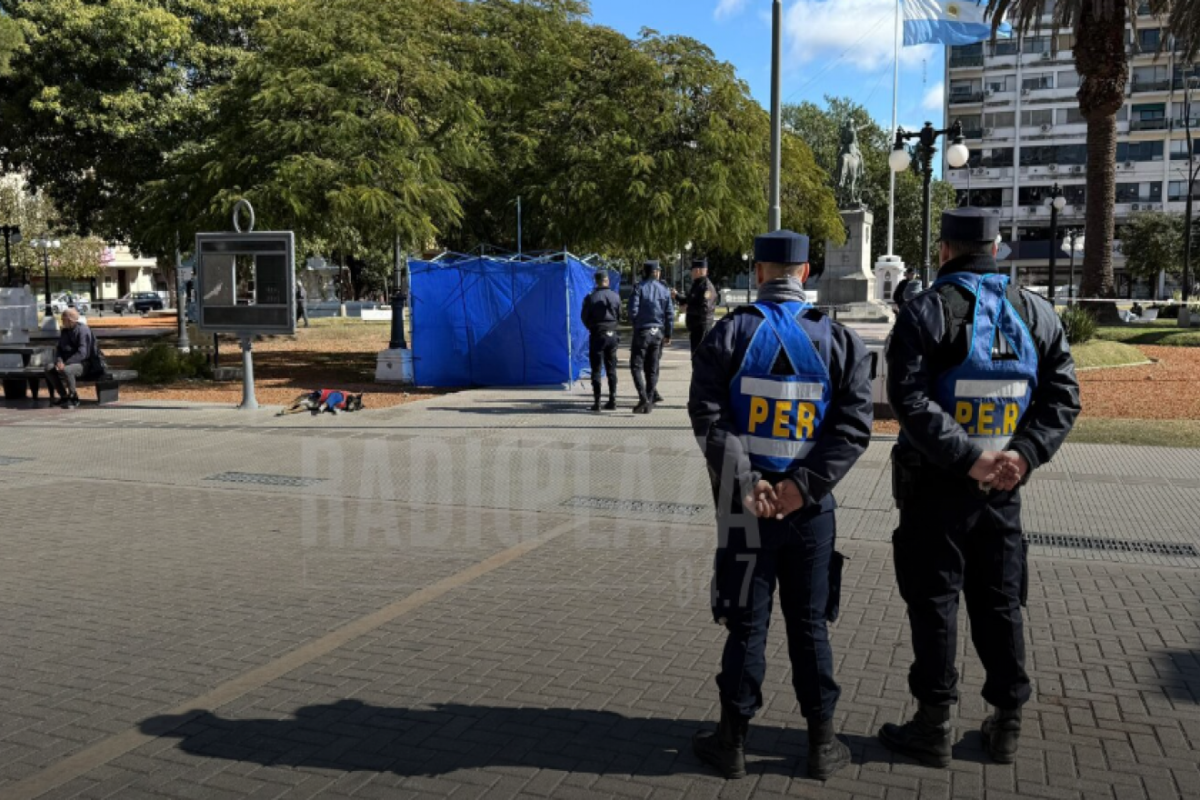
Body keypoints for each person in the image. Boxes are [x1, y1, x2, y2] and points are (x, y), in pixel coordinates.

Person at [881, 208, 1080, 767]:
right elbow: (1063, 398)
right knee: (999, 602)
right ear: (998, 248)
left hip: (936, 489)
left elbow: (910, 401)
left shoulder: (927, 312)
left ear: (945, 250)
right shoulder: (1037, 312)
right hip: (1005, 490)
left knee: (936, 603)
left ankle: (933, 724)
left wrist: (969, 458)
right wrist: (1022, 454)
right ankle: (1007, 723)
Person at [688, 230, 874, 781]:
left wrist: (748, 483)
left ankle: (732, 742)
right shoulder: (840, 341)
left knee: (747, 625)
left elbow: (709, 418)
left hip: (745, 508)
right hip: (811, 513)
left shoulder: (729, 333)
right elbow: (853, 429)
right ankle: (821, 744)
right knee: (810, 626)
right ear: (807, 271)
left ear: (760, 270)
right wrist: (800, 489)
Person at [628, 260, 673, 414]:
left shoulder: (639, 288)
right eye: (658, 270)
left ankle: (643, 398)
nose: (659, 273)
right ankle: (649, 400)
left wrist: (637, 325)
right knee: (652, 368)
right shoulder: (664, 290)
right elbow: (669, 314)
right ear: (655, 272)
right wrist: (668, 333)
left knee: (636, 366)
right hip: (658, 332)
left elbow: (632, 311)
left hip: (643, 331)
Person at [581, 269, 621, 412]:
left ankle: (597, 402)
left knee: (596, 369)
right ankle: (613, 400)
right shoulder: (616, 296)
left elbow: (584, 318)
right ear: (607, 281)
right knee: (611, 368)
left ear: (596, 282)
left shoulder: (591, 298)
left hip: (598, 334)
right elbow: (619, 315)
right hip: (612, 335)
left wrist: (592, 327)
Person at [43, 309, 96, 408]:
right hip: (66, 362)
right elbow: (59, 348)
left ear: (70, 320)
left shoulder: (83, 330)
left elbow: (82, 353)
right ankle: (64, 396)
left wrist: (65, 363)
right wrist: (59, 361)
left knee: (67, 370)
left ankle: (73, 397)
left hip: (84, 364)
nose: (62, 321)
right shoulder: (65, 331)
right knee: (48, 368)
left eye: (63, 319)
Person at [685, 257, 718, 353]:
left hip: (701, 328)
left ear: (698, 271)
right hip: (695, 328)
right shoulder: (698, 284)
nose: (691, 273)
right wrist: (677, 296)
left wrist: (688, 309)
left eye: (692, 270)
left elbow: (704, 309)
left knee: (699, 357)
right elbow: (691, 300)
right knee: (696, 357)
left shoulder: (706, 287)